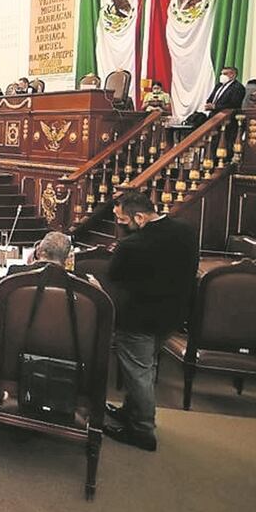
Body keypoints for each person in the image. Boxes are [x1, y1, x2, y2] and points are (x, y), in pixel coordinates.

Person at [104, 191, 198, 451]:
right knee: (146, 367)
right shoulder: (186, 232)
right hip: (172, 316)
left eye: (123, 220)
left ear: (139, 217)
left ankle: (142, 430)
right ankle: (130, 411)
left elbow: (114, 275)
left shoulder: (132, 245)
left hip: (138, 319)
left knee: (138, 373)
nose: (120, 224)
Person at [6, 231, 71, 276]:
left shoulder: (15, 273)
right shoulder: (74, 281)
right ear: (66, 258)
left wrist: (30, 266)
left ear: (39, 253)